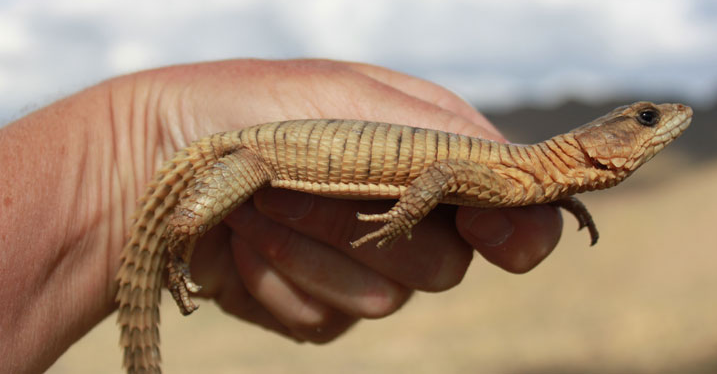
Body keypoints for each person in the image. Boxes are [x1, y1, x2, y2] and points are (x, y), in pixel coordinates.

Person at [0, 59, 563, 373]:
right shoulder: (521, 170)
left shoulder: (532, 175)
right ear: (594, 143)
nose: (656, 125)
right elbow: (440, 177)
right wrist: (402, 218)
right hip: (264, 156)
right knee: (185, 225)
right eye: (642, 119)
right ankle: (173, 259)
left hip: (270, 162)